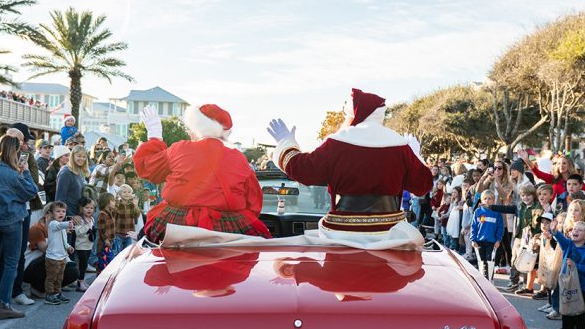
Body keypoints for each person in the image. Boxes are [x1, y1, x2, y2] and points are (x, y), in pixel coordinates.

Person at [267, 89, 432, 245]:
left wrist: (286, 142)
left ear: (355, 114)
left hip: (342, 234)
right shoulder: (400, 145)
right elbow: (422, 185)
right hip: (390, 235)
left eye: (346, 115)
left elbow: (303, 169)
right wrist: (416, 155)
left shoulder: (337, 143)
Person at [137, 103, 270, 242]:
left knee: (144, 242)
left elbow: (148, 169)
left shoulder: (179, 149)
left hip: (177, 224)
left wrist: (155, 136)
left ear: (195, 129)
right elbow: (253, 202)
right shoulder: (239, 157)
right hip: (230, 228)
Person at [0, 136, 39, 320]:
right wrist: (26, 172)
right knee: (11, 263)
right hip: (11, 221)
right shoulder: (13, 174)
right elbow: (31, 192)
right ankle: (3, 303)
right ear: (13, 152)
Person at [551, 219, 585, 329]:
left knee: (579, 311)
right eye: (574, 229)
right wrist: (554, 231)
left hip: (580, 286)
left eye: (579, 230)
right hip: (566, 284)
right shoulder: (569, 245)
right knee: (566, 308)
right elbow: (561, 239)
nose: (575, 231)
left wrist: (576, 266)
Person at [41, 201, 77, 306]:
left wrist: (68, 246)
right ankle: (49, 295)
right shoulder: (53, 224)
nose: (61, 213)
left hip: (61, 257)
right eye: (58, 211)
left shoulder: (62, 227)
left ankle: (57, 293)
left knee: (59, 277)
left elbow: (63, 240)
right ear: (51, 214)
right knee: (51, 277)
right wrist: (69, 223)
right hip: (52, 258)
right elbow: (59, 226)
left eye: (63, 211)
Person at [469, 190, 504, 279]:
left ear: (493, 200)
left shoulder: (497, 212)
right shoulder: (478, 211)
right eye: (485, 199)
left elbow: (500, 228)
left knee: (490, 261)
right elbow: (473, 226)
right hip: (479, 241)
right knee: (481, 262)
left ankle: (489, 280)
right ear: (481, 200)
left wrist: (498, 240)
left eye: (489, 199)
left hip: (491, 242)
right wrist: (473, 239)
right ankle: (482, 279)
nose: (487, 201)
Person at [55, 145, 91, 217]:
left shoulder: (79, 171)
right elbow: (59, 199)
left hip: (79, 215)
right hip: (69, 217)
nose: (82, 159)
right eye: (79, 156)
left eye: (84, 156)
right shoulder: (65, 172)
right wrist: (71, 216)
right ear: (72, 156)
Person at [73, 197, 96, 292]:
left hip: (88, 245)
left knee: (85, 264)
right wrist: (87, 228)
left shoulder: (92, 219)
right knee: (82, 264)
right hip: (81, 246)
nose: (89, 209)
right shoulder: (80, 220)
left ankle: (82, 280)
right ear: (81, 208)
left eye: (91, 208)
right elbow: (78, 232)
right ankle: (79, 282)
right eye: (87, 207)